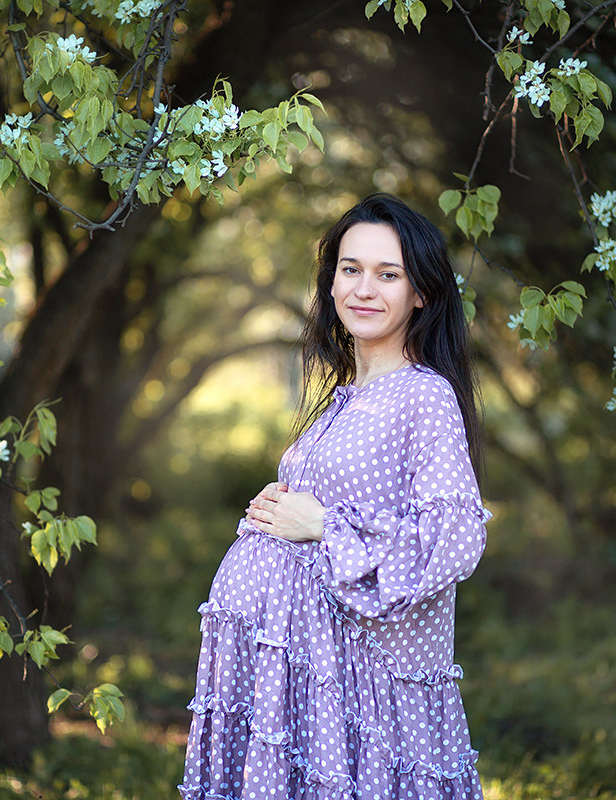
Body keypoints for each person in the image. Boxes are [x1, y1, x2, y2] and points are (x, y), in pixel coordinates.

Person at [179, 193, 491, 800]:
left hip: (359, 688)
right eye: (350, 269)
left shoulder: (421, 397)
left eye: (388, 274)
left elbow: (455, 540)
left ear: (420, 293)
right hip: (301, 674)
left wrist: (323, 525)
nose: (363, 289)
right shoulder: (348, 394)